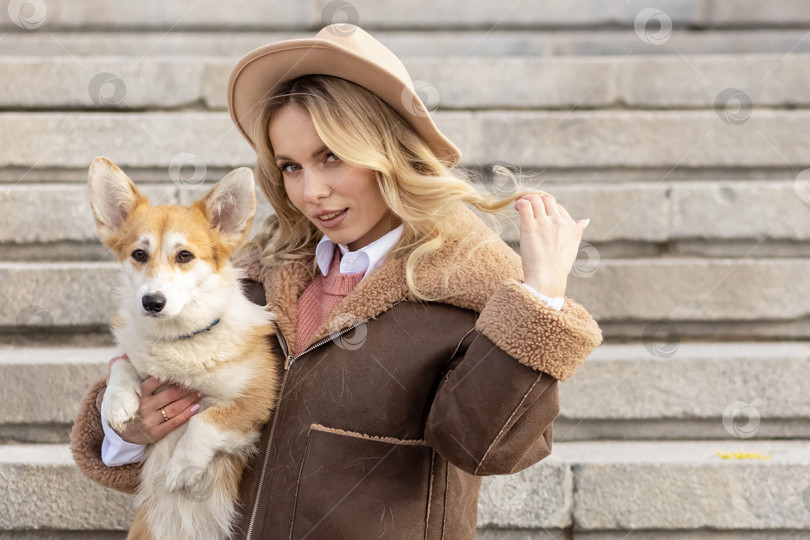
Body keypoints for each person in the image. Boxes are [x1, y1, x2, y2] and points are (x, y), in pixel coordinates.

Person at [70, 23, 603, 539]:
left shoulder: (466, 292)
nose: (312, 191)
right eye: (292, 166)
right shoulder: (252, 280)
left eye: (331, 157)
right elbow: (161, 431)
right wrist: (128, 431)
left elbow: (485, 446)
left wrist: (541, 296)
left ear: (387, 152)